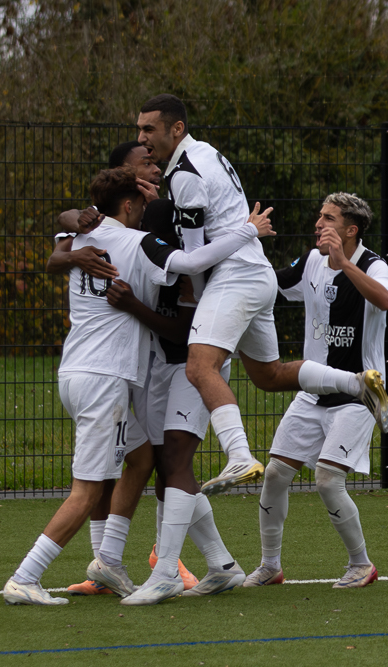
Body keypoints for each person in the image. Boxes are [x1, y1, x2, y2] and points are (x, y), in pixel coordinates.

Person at [3, 167, 271, 605]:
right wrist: (247, 231)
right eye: (141, 203)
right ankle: (25, 577)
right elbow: (187, 262)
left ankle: (111, 561)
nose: (146, 211)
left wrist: (74, 232)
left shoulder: (82, 241)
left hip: (77, 373)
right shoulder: (135, 242)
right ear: (128, 205)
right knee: (88, 489)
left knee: (146, 456)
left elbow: (60, 245)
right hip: (105, 380)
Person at [136, 94, 388, 497]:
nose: (142, 137)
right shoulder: (207, 154)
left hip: (233, 276)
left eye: (148, 129)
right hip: (255, 274)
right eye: (139, 129)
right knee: (268, 375)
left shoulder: (184, 175)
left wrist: (201, 300)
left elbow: (192, 259)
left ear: (177, 129)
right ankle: (357, 383)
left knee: (199, 367)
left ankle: (239, 455)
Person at [46, 141, 197, 597]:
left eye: (155, 161)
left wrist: (71, 248)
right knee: (101, 478)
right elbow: (64, 237)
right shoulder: (107, 226)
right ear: (126, 180)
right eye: (144, 163)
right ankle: (37, 574)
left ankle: (114, 563)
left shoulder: (164, 209)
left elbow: (66, 237)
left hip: (134, 365)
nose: (153, 167)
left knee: (147, 458)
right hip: (110, 370)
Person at [244, 193, 388, 590]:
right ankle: (269, 566)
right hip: (311, 393)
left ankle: (361, 564)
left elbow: (386, 299)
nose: (318, 224)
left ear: (350, 230)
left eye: (328, 218)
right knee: (275, 474)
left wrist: (344, 264)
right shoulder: (310, 260)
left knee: (327, 480)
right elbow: (270, 285)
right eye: (319, 216)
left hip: (360, 394)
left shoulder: (372, 264)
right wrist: (243, 242)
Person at [110, 200, 252, 604]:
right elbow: (74, 225)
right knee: (166, 470)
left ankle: (166, 572)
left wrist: (133, 306)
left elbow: (182, 331)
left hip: (192, 368)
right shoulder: (140, 248)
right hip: (161, 369)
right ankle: (222, 565)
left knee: (176, 461)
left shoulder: (190, 263)